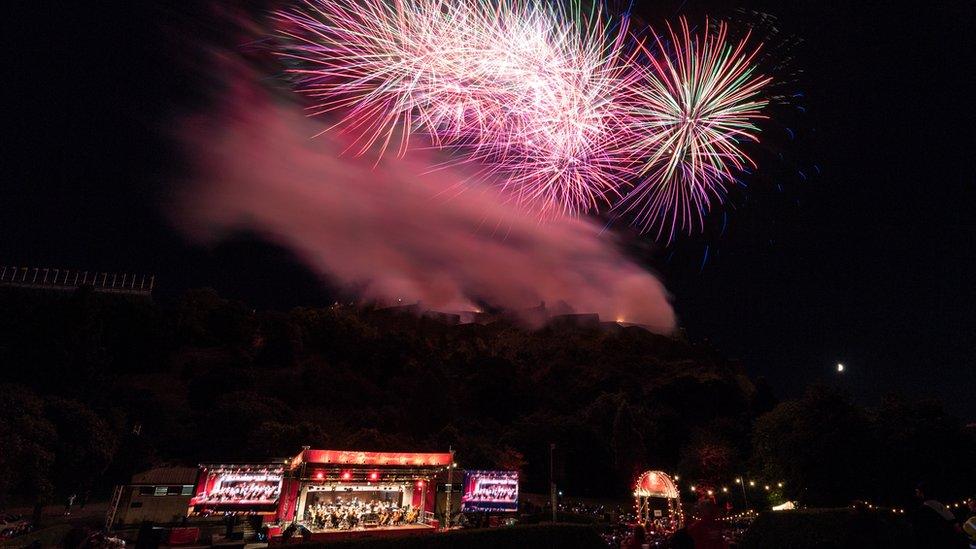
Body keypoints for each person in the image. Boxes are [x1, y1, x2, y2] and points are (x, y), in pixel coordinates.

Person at [909, 483, 960, 548]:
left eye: (918, 491)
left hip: (938, 537)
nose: (917, 494)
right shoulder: (930, 503)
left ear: (922, 492)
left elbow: (948, 516)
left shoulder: (930, 504)